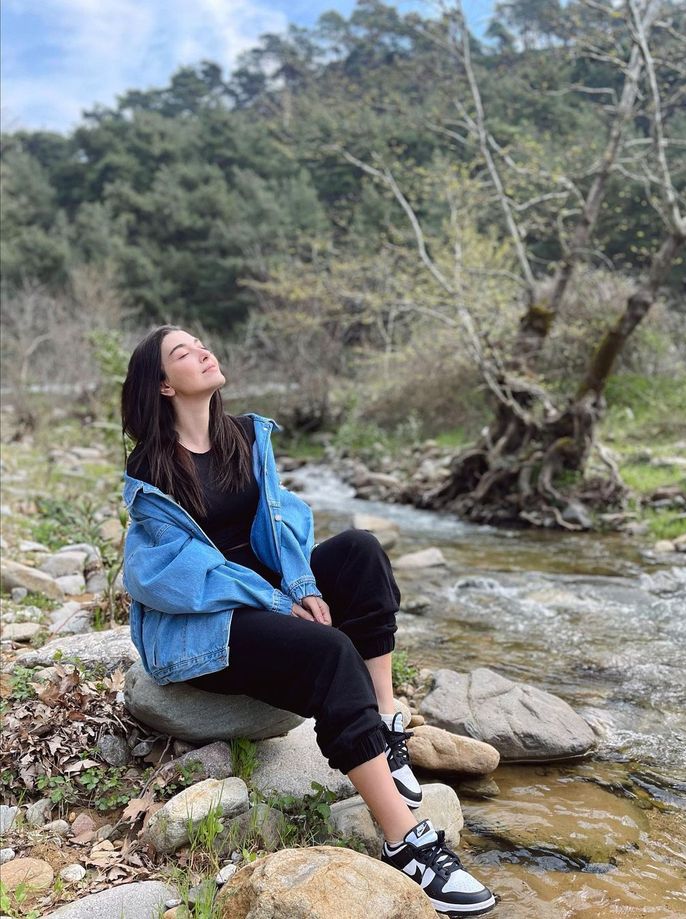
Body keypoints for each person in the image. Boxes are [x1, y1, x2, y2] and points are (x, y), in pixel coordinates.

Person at [120, 325, 496, 916]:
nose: (203, 351)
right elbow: (170, 575)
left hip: (271, 601)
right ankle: (408, 845)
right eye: (182, 353)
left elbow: (284, 520)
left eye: (201, 343)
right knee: (329, 651)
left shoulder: (244, 435)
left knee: (360, 550)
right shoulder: (152, 472)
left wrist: (299, 585)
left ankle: (384, 721)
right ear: (164, 385)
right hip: (210, 626)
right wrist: (276, 602)